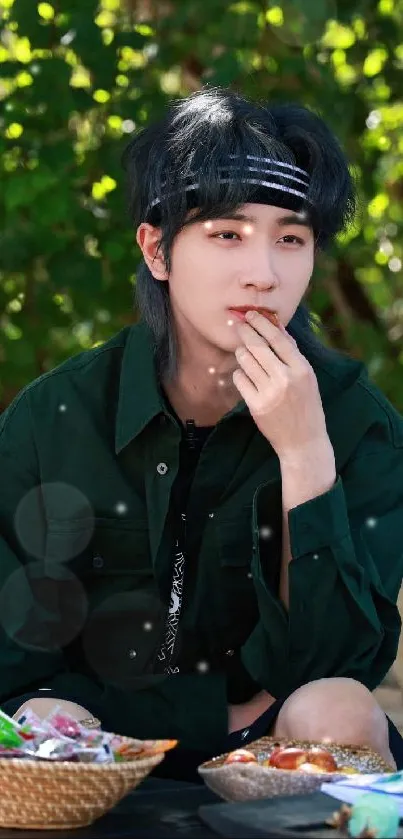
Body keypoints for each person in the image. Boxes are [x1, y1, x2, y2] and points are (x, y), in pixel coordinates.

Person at [1, 86, 403, 780]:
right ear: (157, 250)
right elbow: (17, 668)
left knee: (337, 708)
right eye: (226, 234)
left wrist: (304, 453)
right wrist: (213, 717)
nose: (263, 273)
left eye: (290, 237)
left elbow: (339, 666)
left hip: (284, 756)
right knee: (38, 722)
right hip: (98, 744)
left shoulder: (354, 419)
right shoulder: (53, 417)